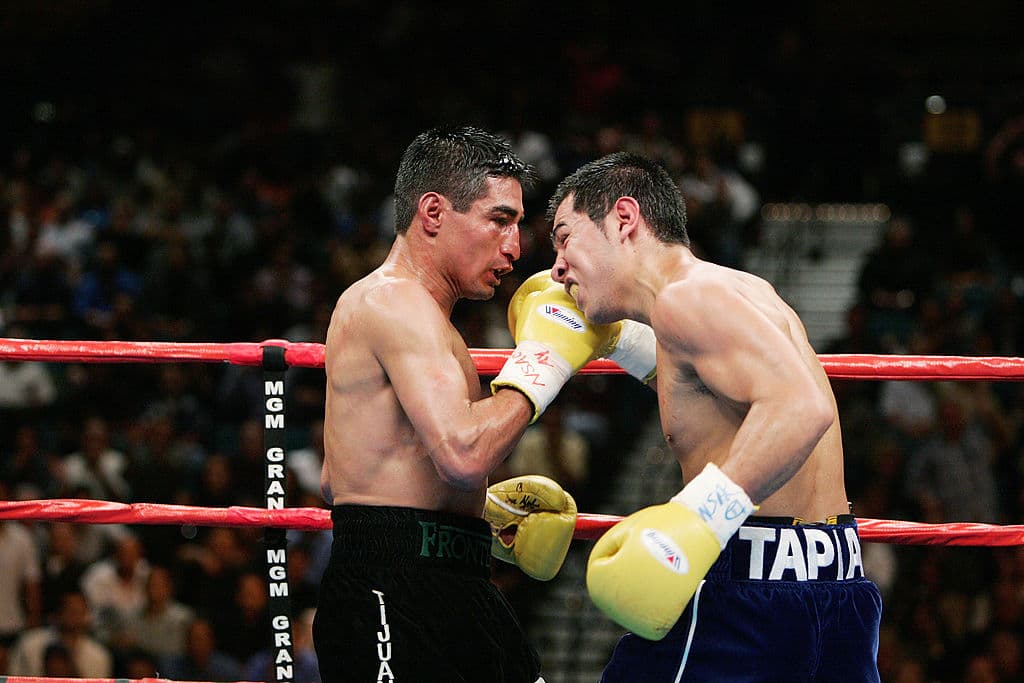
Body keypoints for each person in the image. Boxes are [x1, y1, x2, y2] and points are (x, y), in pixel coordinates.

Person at [547, 152, 882, 681]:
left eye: (565, 237)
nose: (557, 266)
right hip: (835, 583)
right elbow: (710, 393)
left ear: (624, 218)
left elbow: (801, 408)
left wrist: (695, 520)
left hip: (748, 593)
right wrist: (614, 343)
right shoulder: (738, 289)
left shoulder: (686, 301)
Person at [314, 126, 628, 682]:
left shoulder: (428, 321)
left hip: (454, 580)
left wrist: (479, 513)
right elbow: (462, 452)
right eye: (499, 220)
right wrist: (545, 361)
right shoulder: (393, 302)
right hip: (392, 590)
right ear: (433, 212)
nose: (515, 246)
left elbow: (343, 476)